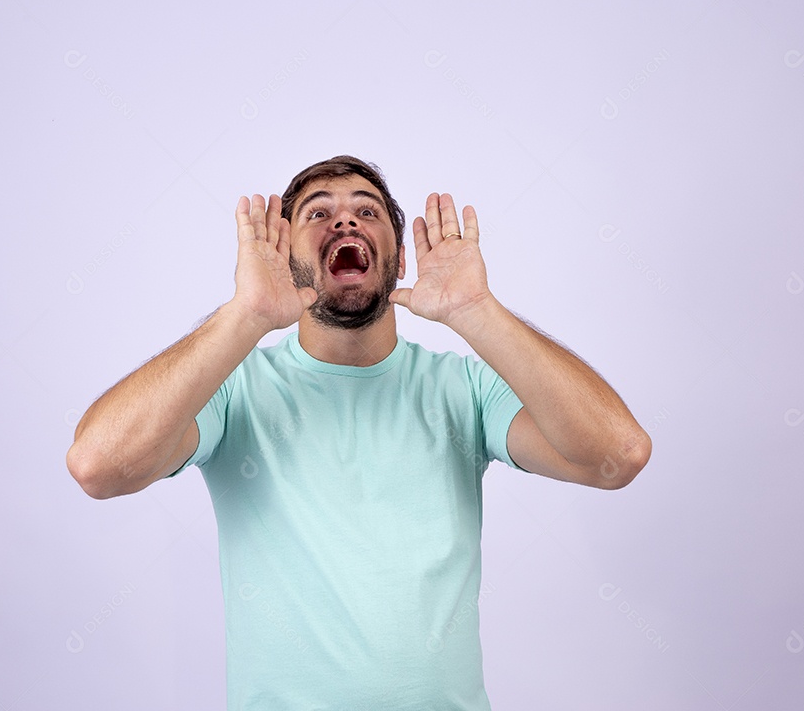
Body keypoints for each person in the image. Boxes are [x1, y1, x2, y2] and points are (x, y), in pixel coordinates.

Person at [66, 155, 652, 709]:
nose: (344, 218)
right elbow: (98, 465)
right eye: (317, 212)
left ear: (398, 260)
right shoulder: (234, 392)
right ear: (284, 254)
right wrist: (243, 316)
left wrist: (477, 309)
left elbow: (618, 455)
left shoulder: (465, 391)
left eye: (367, 210)